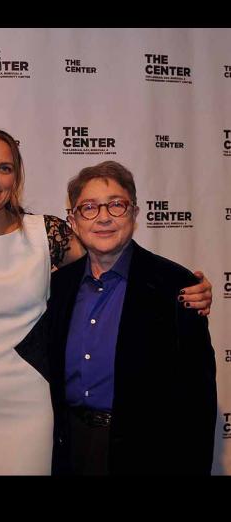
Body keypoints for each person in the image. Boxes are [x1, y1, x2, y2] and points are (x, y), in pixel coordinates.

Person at [0, 129, 213, 475]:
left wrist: (183, 285)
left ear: (16, 178)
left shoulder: (47, 234)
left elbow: (110, 251)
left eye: (5, 168)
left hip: (28, 411)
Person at [47, 161, 217, 475]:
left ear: (134, 214)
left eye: (116, 205)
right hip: (68, 448)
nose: (103, 217)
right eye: (89, 208)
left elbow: (198, 400)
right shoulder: (58, 287)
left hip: (147, 453)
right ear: (73, 221)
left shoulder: (176, 286)